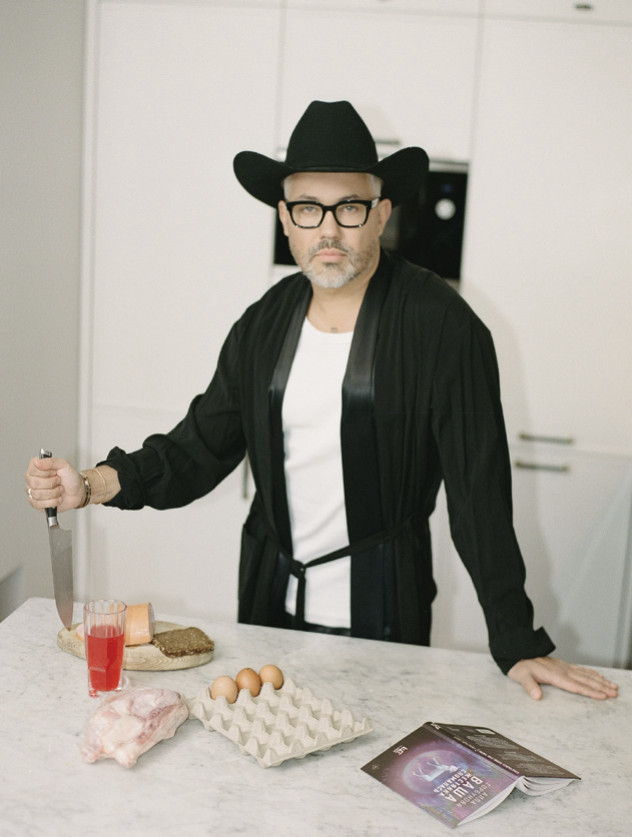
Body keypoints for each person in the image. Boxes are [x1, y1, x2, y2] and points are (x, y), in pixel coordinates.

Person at [25, 100, 617, 702]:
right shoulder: (263, 324)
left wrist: (516, 640)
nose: (328, 230)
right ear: (286, 219)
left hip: (384, 612)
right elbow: (198, 449)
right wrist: (89, 486)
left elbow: (478, 494)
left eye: (349, 207)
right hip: (267, 606)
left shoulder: (442, 327)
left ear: (380, 214)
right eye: (308, 208)